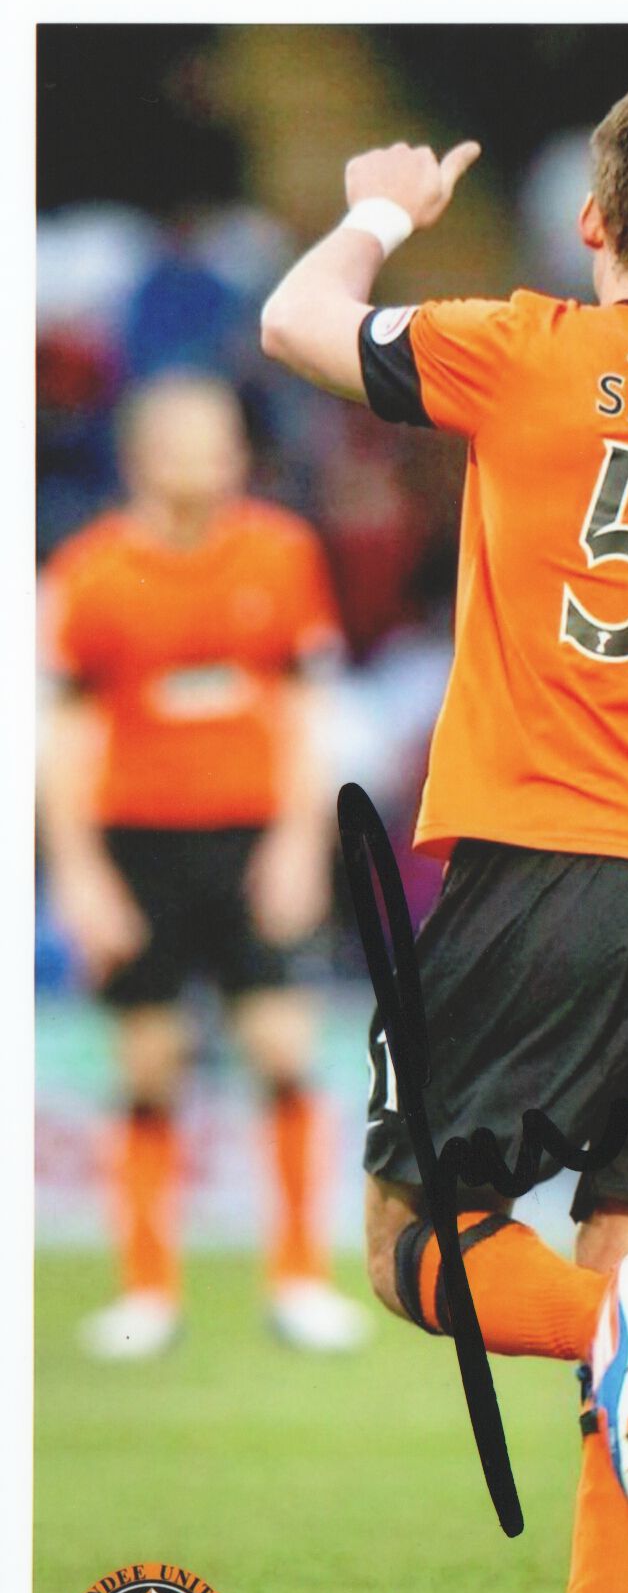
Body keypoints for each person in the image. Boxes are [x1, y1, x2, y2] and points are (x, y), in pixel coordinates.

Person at [260, 73, 628, 1593]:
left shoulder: (527, 347)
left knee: (412, 1240)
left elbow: (295, 323)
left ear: (591, 220)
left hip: (555, 858)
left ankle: (602, 1332)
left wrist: (379, 210)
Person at [40, 372, 370, 1359]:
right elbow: (66, 734)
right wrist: (80, 873)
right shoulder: (91, 574)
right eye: (193, 444)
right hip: (137, 840)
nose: (214, 461)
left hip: (253, 835)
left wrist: (301, 844)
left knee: (281, 1045)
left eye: (224, 443)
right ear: (142, 457)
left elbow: (309, 708)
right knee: (147, 1060)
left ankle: (300, 1278)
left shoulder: (281, 553)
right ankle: (147, 1289)